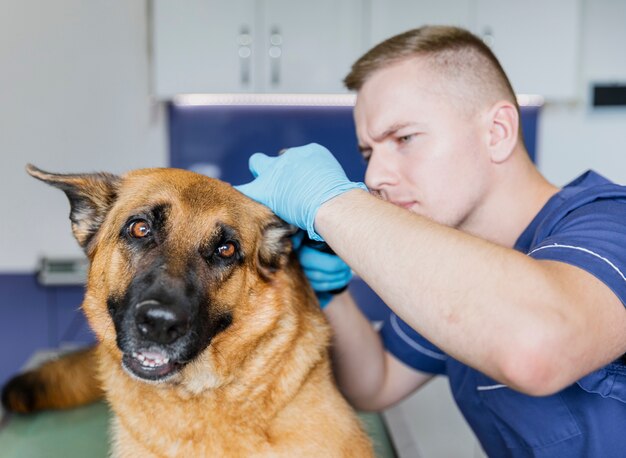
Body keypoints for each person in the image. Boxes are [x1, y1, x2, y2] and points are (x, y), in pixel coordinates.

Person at [236, 26, 626, 456]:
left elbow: (537, 348)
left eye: (404, 138)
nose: (373, 177)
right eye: (368, 153)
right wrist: (332, 296)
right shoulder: (447, 264)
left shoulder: (610, 223)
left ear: (497, 131)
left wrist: (329, 202)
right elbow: (376, 382)